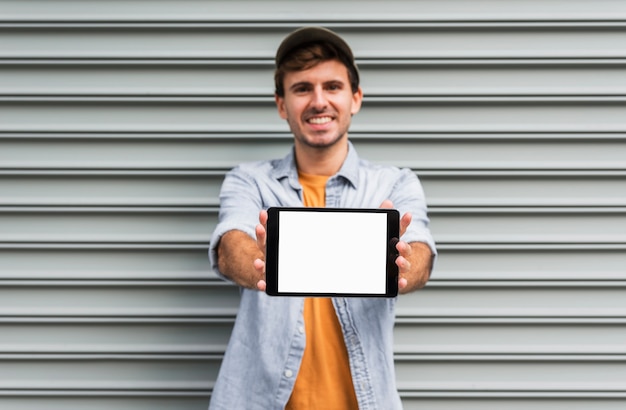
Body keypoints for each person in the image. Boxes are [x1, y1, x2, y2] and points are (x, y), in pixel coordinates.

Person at [208, 26, 436, 409]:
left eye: (332, 87)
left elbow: (421, 255)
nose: (319, 101)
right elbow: (232, 244)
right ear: (282, 104)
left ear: (355, 98)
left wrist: (401, 267)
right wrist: (261, 263)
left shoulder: (395, 183)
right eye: (302, 89)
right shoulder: (249, 181)